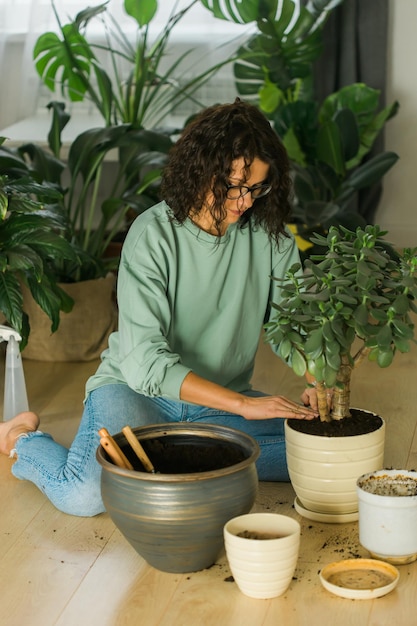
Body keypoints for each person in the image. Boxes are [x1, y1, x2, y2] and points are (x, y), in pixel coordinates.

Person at [0, 99, 321, 517]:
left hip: (217, 403)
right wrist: (244, 405)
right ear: (202, 169)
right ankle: (21, 437)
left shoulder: (271, 237)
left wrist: (320, 375)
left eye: (257, 187)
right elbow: (145, 361)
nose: (245, 202)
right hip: (135, 393)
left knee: (316, 456)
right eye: (234, 186)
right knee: (85, 495)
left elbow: (288, 325)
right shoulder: (152, 234)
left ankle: (168, 457)